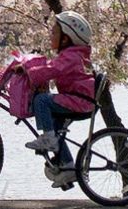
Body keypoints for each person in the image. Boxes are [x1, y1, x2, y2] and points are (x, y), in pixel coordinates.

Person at [17, 11, 95, 189]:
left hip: (78, 101)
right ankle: (67, 166)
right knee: (55, 125)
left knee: (41, 101)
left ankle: (49, 139)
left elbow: (53, 70)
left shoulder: (71, 56)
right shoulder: (73, 54)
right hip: (78, 99)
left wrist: (28, 71)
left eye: (54, 33)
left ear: (66, 39)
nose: (50, 35)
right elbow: (52, 67)